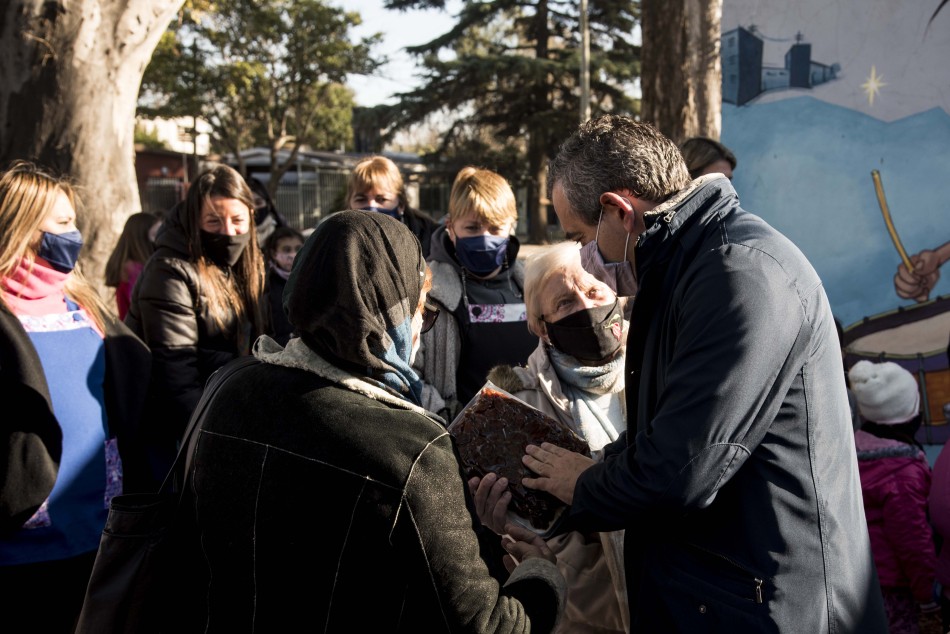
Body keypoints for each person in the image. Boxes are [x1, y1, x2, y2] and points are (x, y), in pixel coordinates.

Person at [518, 114, 887, 631]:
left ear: (618, 211)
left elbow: (685, 465)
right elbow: (659, 434)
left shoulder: (738, 275)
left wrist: (584, 483)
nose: (585, 260)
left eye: (582, 238)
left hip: (772, 606)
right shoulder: (691, 268)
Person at [163, 210, 566, 632]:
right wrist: (540, 574)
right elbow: (484, 625)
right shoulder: (412, 445)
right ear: (387, 314)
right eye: (419, 310)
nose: (418, 331)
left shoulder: (230, 388)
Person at [0, 160, 151, 633]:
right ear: (22, 227)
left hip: (98, 530)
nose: (75, 235)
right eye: (62, 224)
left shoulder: (82, 302)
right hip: (19, 543)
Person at [478, 241, 629, 633]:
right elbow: (528, 533)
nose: (584, 306)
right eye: (564, 303)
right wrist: (501, 522)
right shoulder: (518, 405)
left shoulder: (662, 371)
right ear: (539, 326)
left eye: (594, 291)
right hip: (585, 614)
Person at [125, 163, 266, 486]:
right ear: (195, 221)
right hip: (177, 430)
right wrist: (218, 437)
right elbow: (175, 374)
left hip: (224, 412)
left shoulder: (248, 264)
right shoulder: (170, 271)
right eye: (214, 221)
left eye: (238, 221)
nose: (229, 232)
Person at [415, 166, 537, 419]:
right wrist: (447, 420)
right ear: (451, 227)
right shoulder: (427, 291)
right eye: (472, 228)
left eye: (494, 228)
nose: (484, 238)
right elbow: (409, 371)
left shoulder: (534, 287)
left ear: (511, 227)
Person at [849, 360, 941, 634]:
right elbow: (913, 541)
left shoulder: (849, 453)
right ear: (910, 414)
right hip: (897, 592)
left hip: (859, 583)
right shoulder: (902, 471)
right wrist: (927, 600)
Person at [346, 154, 439, 258]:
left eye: (381, 199)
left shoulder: (432, 240)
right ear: (349, 204)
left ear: (401, 205)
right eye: (361, 199)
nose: (371, 206)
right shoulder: (337, 240)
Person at [103, 211, 161, 320]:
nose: (159, 239)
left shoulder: (130, 267)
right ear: (141, 238)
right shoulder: (134, 269)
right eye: (154, 234)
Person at [262, 225, 304, 345]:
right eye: (286, 250)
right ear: (274, 253)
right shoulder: (265, 284)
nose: (293, 254)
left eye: (298, 248)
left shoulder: (311, 278)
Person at [246, 174, 288, 247]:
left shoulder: (283, 235)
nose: (254, 208)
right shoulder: (235, 238)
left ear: (268, 205)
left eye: (258, 203)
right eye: (248, 204)